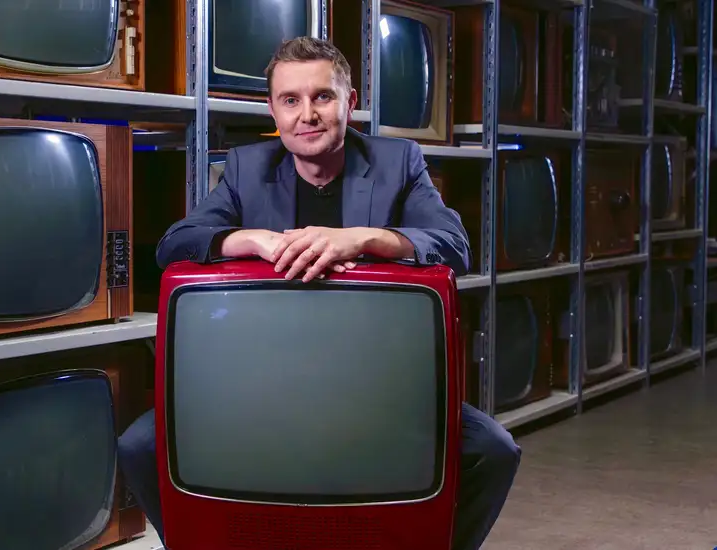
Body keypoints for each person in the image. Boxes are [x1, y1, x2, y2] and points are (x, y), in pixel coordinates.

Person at [118, 36, 521, 550]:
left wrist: (365, 238)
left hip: (378, 382)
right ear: (273, 110)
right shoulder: (246, 169)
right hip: (265, 378)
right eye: (290, 100)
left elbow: (454, 245)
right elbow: (174, 244)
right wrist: (252, 239)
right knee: (139, 446)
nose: (307, 115)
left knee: (495, 450)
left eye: (322, 97)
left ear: (349, 102)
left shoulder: (399, 161)